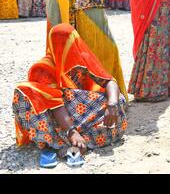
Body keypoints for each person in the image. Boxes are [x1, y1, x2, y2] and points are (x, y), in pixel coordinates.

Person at [12, 24, 127, 161]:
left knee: (118, 99)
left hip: (82, 115)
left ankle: (79, 143)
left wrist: (112, 105)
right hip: (57, 123)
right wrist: (71, 131)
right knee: (24, 92)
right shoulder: (44, 68)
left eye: (68, 44)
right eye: (59, 45)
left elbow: (109, 81)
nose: (64, 49)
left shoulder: (81, 57)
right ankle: (64, 142)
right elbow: (55, 105)